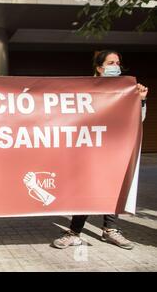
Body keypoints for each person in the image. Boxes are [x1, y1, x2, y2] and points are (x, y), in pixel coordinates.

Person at [52, 50, 148, 250]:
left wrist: (141, 100)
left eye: (118, 62)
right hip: (89, 148)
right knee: (88, 189)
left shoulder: (126, 90)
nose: (116, 66)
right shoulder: (86, 89)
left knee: (112, 187)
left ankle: (110, 230)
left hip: (114, 149)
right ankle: (74, 231)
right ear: (99, 67)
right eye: (111, 62)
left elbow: (137, 121)